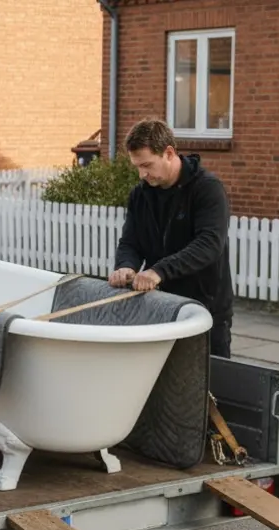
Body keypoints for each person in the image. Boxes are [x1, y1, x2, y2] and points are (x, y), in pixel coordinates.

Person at [108, 118, 235, 358]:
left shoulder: (207, 189)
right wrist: (126, 265)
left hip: (205, 310)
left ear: (168, 153)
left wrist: (158, 271)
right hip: (160, 306)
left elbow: (209, 244)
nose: (141, 173)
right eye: (137, 166)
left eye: (146, 164)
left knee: (209, 388)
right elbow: (130, 241)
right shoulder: (140, 195)